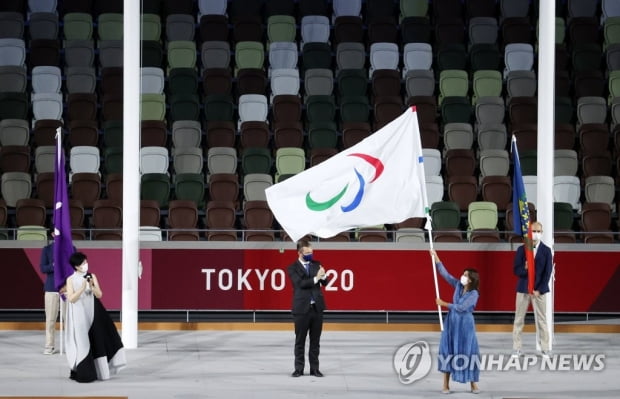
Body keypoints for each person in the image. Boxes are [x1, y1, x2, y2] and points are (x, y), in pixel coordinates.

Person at [64, 252, 126, 382]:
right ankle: (84, 371)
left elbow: (99, 295)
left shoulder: (92, 276)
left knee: (97, 338)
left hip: (93, 312)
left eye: (86, 262)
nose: (86, 265)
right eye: (83, 263)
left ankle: (102, 371)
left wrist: (92, 286)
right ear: (76, 266)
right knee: (83, 342)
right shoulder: (70, 279)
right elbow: (71, 298)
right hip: (79, 315)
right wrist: (81, 288)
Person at [431, 249, 480, 394]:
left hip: (465, 325)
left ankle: (473, 384)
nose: (462, 277)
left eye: (465, 275)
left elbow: (461, 307)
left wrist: (444, 304)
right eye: (463, 274)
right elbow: (445, 275)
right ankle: (445, 384)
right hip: (452, 323)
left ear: (471, 279)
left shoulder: (474, 294)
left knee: (468, 352)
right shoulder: (458, 285)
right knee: (448, 350)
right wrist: (436, 257)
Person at [288, 239, 329, 377]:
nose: (310, 254)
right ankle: (299, 369)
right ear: (299, 253)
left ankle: (314, 368)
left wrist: (324, 275)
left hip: (316, 308)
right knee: (300, 340)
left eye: (311, 252)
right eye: (307, 252)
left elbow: (325, 282)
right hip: (301, 309)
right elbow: (300, 284)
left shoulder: (316, 264)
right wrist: (317, 278)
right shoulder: (292, 268)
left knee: (315, 341)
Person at [512, 221, 553, 358]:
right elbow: (516, 270)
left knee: (542, 320)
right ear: (529, 232)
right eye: (533, 231)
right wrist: (524, 268)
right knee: (519, 319)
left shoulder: (546, 251)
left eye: (538, 231)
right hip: (523, 289)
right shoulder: (522, 249)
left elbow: (547, 273)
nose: (536, 234)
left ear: (541, 233)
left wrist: (539, 289)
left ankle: (545, 349)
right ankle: (517, 348)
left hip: (539, 291)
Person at [39, 234, 74, 355]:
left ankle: (70, 345)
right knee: (50, 319)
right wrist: (54, 266)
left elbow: (76, 267)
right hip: (51, 289)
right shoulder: (47, 249)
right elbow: (43, 268)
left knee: (69, 320)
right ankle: (49, 346)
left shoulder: (71, 249)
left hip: (67, 289)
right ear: (53, 234)